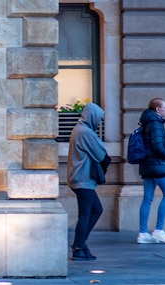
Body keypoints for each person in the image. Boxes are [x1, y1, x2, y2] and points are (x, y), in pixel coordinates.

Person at [66, 102, 108, 261]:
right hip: (82, 179)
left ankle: (81, 244)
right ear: (93, 116)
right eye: (99, 118)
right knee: (87, 213)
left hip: (81, 179)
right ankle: (78, 247)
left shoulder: (80, 129)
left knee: (95, 210)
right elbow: (101, 153)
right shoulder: (85, 132)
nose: (99, 122)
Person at [136, 98, 165, 245]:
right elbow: (158, 146)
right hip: (158, 165)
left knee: (147, 198)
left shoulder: (146, 122)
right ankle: (159, 230)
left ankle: (143, 233)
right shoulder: (156, 125)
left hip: (148, 166)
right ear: (158, 110)